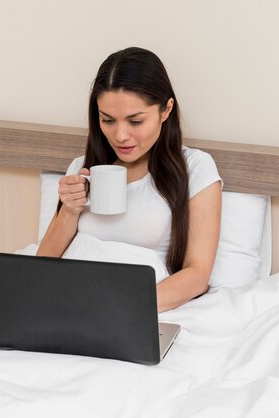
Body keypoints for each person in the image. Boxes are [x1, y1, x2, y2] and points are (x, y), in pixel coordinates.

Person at [37, 47, 222, 313]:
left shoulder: (195, 167)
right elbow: (42, 265)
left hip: (139, 308)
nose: (120, 135)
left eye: (135, 121)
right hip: (71, 301)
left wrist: (121, 307)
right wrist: (70, 209)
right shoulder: (82, 168)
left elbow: (197, 275)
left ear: (166, 110)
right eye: (107, 120)